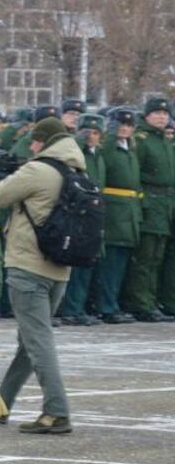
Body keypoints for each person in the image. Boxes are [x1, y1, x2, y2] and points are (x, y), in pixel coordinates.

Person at [0, 116, 81, 433]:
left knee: (38, 341)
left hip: (28, 265)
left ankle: (57, 411)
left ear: (45, 142)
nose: (31, 146)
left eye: (35, 141)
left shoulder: (39, 170)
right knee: (30, 340)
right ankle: (2, 403)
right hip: (60, 268)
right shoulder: (75, 169)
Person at [57, 115, 108, 327]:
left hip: (93, 210)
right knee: (76, 262)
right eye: (87, 132)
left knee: (88, 259)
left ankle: (78, 307)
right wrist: (79, 139)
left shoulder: (97, 155)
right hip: (79, 210)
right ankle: (70, 309)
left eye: (96, 133)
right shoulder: (75, 152)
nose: (91, 137)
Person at [126, 95, 173, 322]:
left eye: (165, 114)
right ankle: (140, 302)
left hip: (165, 204)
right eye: (157, 113)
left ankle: (153, 300)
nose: (162, 117)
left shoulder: (164, 140)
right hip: (149, 202)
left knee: (158, 257)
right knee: (145, 257)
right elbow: (135, 175)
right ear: (146, 116)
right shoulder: (142, 140)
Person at [93, 108, 142, 324]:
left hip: (129, 210)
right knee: (110, 262)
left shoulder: (129, 148)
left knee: (120, 261)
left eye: (129, 125)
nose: (125, 128)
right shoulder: (110, 147)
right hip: (114, 209)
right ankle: (106, 305)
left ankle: (113, 303)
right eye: (120, 124)